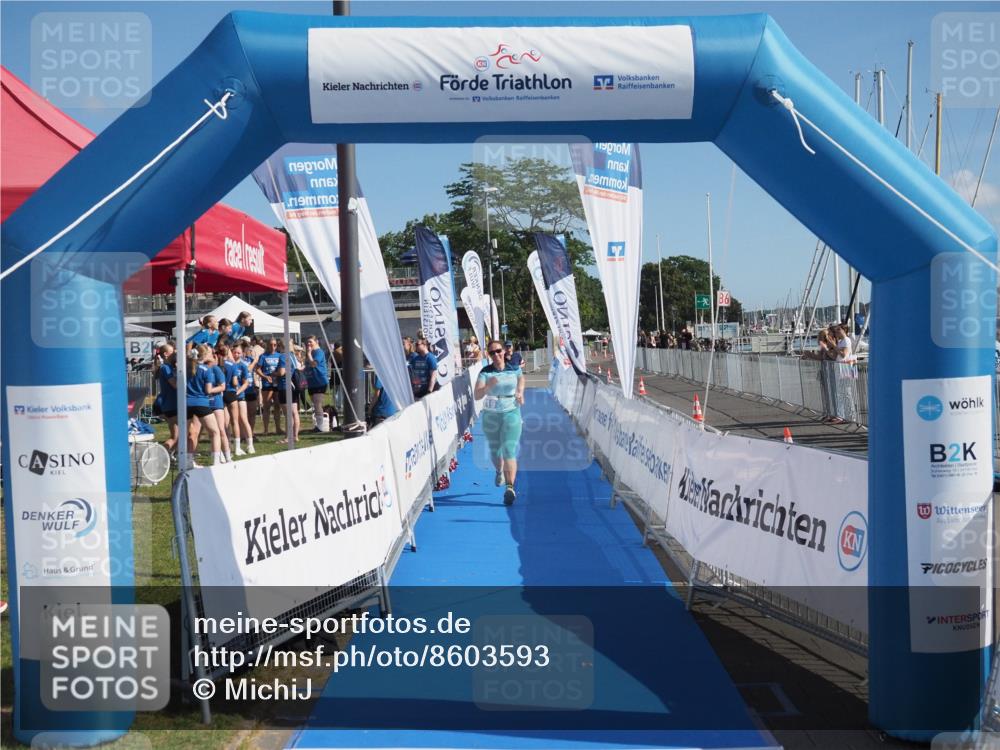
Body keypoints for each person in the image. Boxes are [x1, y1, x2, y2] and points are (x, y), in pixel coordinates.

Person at [475, 341, 526, 506]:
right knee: (495, 449)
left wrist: (520, 392)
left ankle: (510, 488)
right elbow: (477, 395)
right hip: (491, 415)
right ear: (489, 355)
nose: (496, 355)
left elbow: (521, 379)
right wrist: (487, 386)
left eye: (498, 351)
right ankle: (499, 471)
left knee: (509, 449)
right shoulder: (485, 372)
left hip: (512, 411)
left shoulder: (514, 368)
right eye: (492, 353)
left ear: (504, 351)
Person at [186, 344, 223, 467]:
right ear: (205, 355)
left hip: (187, 403)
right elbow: (208, 390)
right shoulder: (206, 370)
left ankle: (189, 461)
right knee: (215, 432)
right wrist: (217, 388)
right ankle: (216, 461)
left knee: (192, 433)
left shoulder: (187, 367)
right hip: (201, 403)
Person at [222, 346, 251, 456]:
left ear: (242, 354)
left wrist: (238, 392)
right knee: (227, 421)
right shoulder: (230, 365)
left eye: (239, 353)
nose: (236, 355)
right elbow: (234, 382)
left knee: (242, 418)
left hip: (237, 394)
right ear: (230, 352)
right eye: (234, 352)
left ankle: (249, 444)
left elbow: (246, 383)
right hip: (230, 393)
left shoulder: (242, 366)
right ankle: (229, 446)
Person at [153, 343, 179, 456]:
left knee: (176, 437)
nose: (175, 354)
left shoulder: (170, 367)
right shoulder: (165, 368)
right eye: (173, 352)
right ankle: (157, 455)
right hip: (171, 405)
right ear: (166, 354)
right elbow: (175, 384)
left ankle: (168, 455)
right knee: (185, 432)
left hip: (172, 404)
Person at [256, 338, 284, 435]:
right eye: (271, 344)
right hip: (267, 384)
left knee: (277, 406)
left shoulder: (279, 356)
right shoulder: (263, 356)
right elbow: (257, 369)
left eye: (274, 345)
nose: (273, 347)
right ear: (267, 345)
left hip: (278, 384)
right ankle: (266, 430)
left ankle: (278, 428)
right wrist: (265, 376)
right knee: (267, 406)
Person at [277, 345, 303, 444]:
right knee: (294, 412)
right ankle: (295, 436)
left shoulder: (283, 356)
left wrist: (273, 373)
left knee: (288, 414)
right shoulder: (293, 356)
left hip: (285, 386)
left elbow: (282, 372)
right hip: (294, 386)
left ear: (281, 347)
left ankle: (288, 437)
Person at [210, 347, 232, 462]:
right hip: (205, 403)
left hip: (216, 402)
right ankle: (217, 455)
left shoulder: (216, 369)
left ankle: (228, 456)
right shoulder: (201, 369)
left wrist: (209, 390)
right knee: (211, 432)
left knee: (221, 429)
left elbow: (223, 387)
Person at [304, 336, 330, 432]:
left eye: (310, 342)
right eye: (307, 342)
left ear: (316, 342)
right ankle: (318, 425)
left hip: (320, 381)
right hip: (311, 382)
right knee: (315, 404)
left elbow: (314, 364)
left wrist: (308, 354)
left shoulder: (319, 352)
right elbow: (307, 366)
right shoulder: (310, 353)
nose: (308, 344)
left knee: (317, 403)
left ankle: (320, 427)